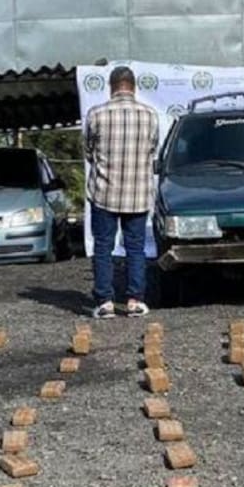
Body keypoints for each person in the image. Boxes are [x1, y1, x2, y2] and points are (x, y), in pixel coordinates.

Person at [83, 65, 160, 319]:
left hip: (104, 192)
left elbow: (89, 152)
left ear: (111, 87)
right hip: (137, 194)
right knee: (135, 248)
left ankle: (105, 302)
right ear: (133, 87)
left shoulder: (96, 114)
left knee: (103, 248)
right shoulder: (150, 115)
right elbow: (152, 151)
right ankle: (135, 301)